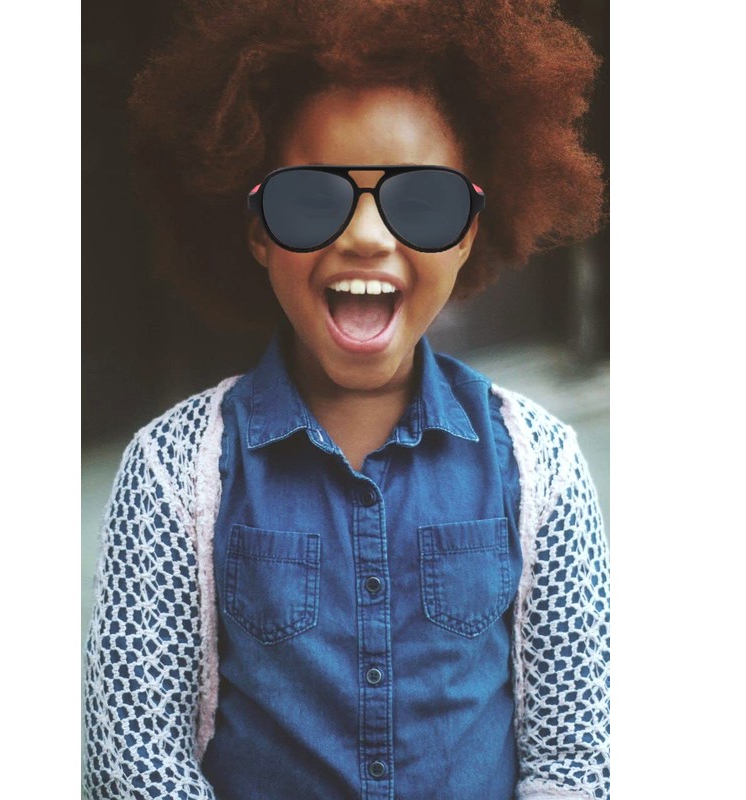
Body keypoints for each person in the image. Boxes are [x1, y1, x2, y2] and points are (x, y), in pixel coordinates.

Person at [83, 1, 609, 798]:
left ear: (470, 231)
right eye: (311, 199)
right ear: (257, 230)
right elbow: (135, 760)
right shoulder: (170, 471)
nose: (366, 237)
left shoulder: (542, 465)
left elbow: (578, 755)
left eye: (422, 202)